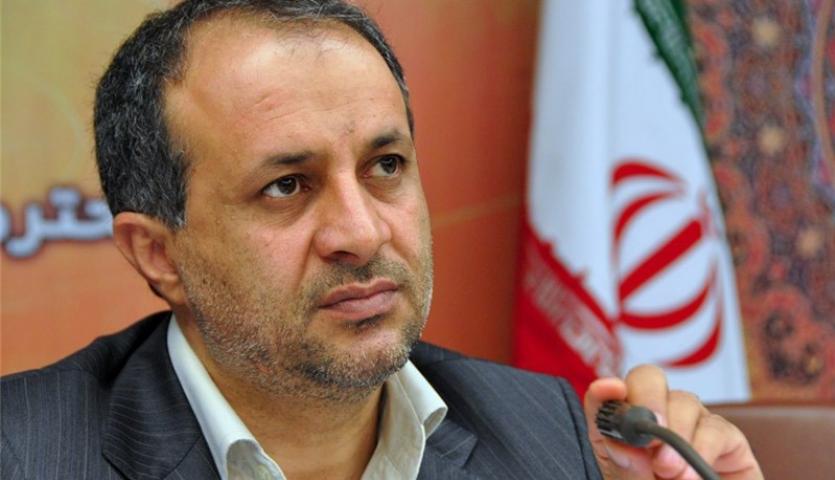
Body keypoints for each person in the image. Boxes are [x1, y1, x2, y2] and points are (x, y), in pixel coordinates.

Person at [1, 1, 763, 479]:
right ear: (158, 253)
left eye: (385, 166)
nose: (361, 232)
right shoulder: (26, 453)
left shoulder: (539, 431)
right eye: (286, 186)